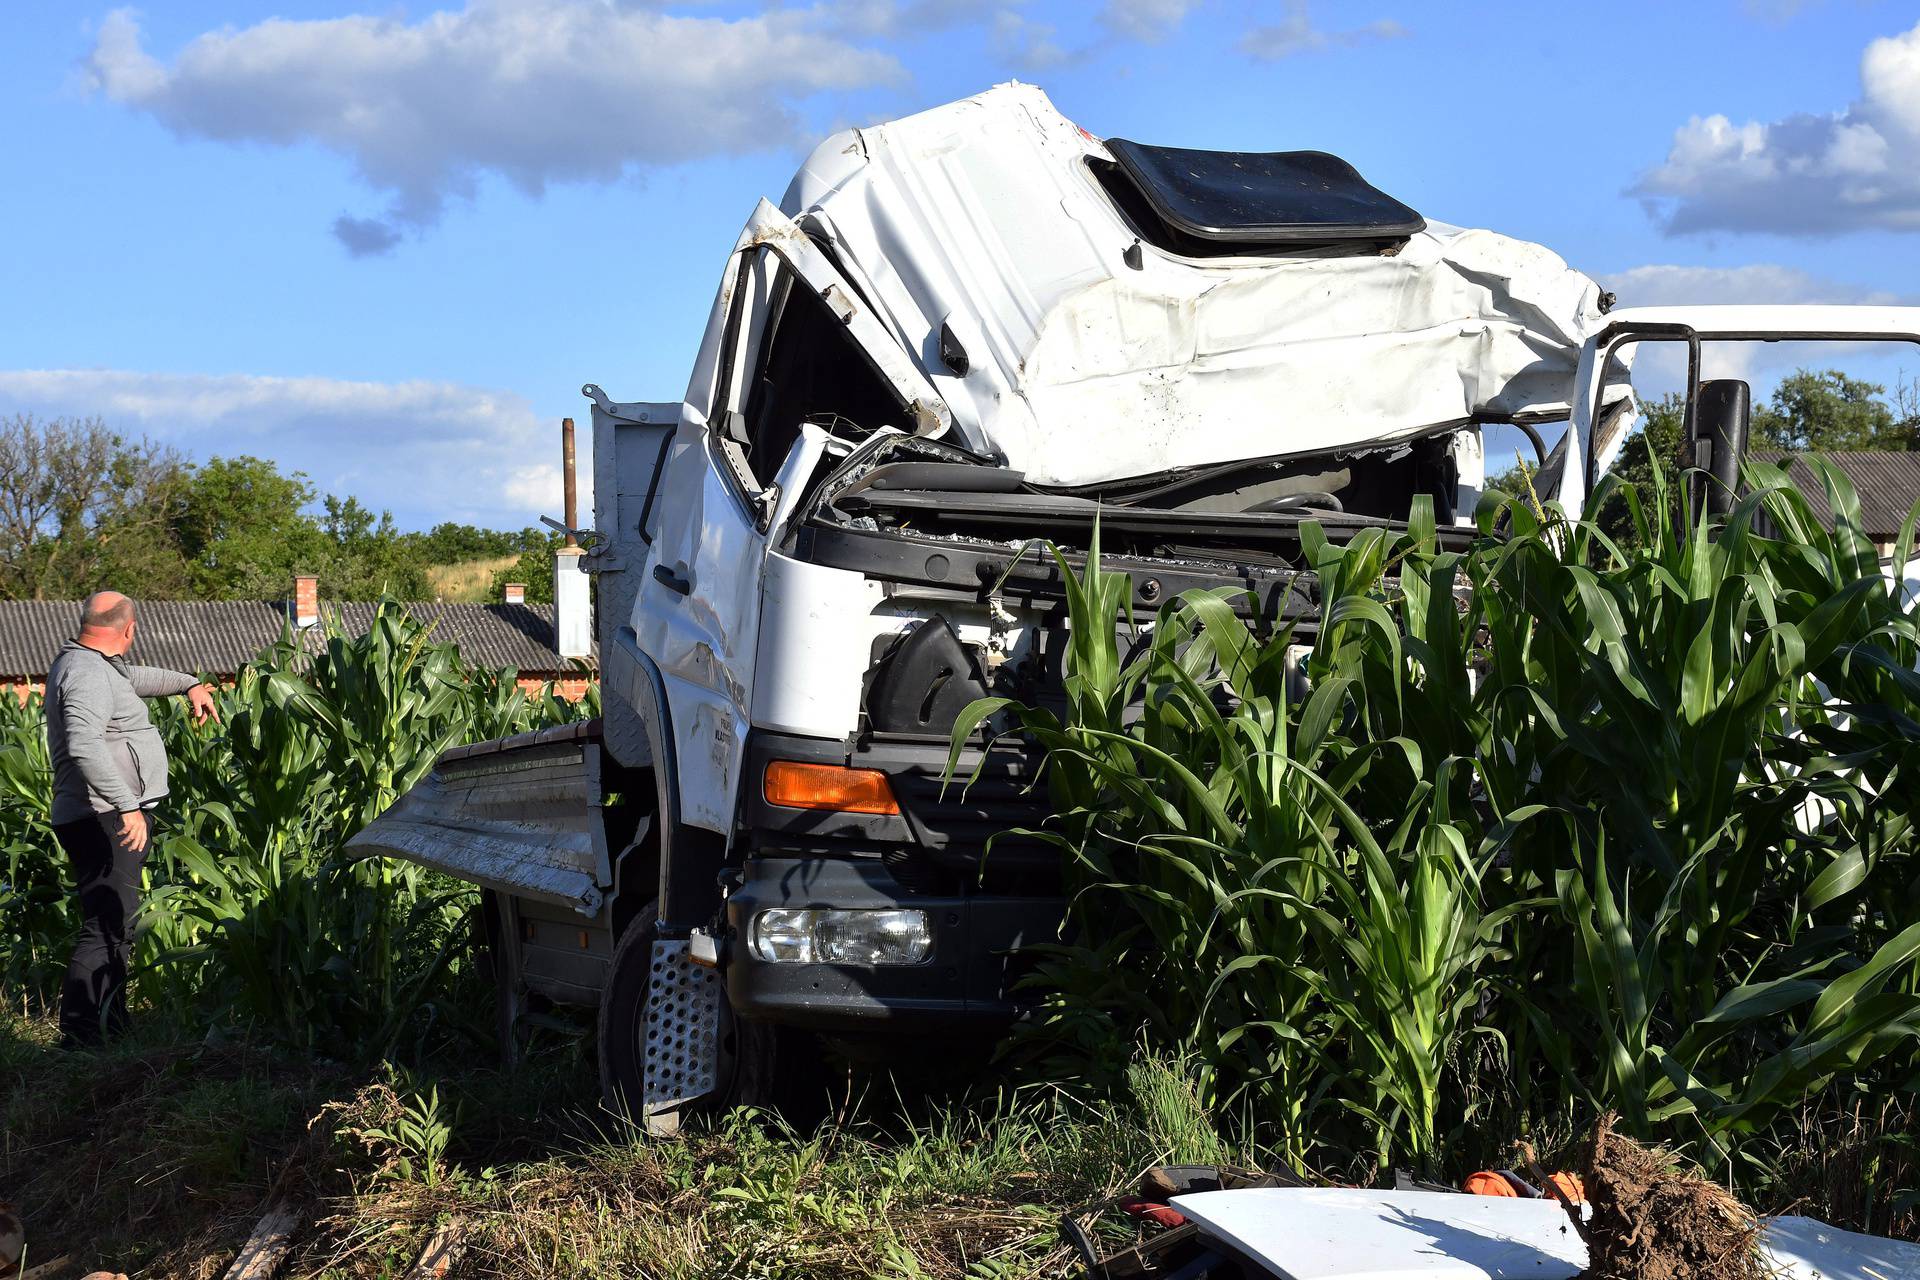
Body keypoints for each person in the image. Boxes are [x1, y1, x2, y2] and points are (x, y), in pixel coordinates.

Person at [45, 591, 218, 1047]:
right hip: (101, 816)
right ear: (130, 628)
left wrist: (189, 683)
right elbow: (84, 744)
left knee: (116, 923)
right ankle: (83, 1039)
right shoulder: (85, 672)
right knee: (105, 925)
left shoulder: (96, 665)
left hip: (103, 814)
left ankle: (109, 1026)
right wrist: (127, 805)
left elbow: (137, 678)